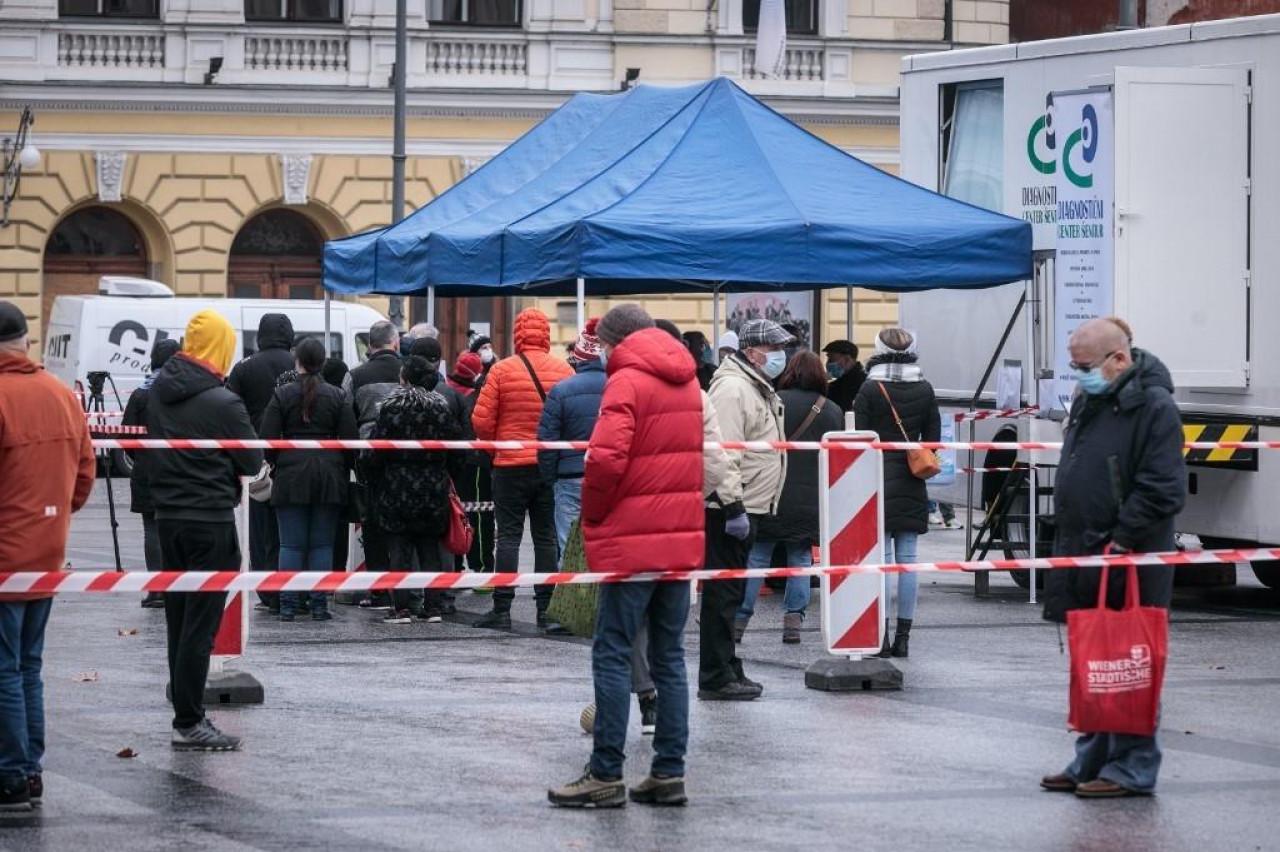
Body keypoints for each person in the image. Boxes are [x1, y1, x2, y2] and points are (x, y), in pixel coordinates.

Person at [548, 305, 704, 808]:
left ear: (614, 342)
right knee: (669, 658)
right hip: (678, 538)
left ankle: (606, 772)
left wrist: (592, 516)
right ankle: (668, 771)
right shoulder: (686, 381)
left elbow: (606, 460)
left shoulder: (627, 382)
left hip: (632, 540)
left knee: (612, 651)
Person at [1040, 318, 1185, 799]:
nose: (1077, 375)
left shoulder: (1154, 406)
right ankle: (1091, 759)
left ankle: (1133, 768)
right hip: (1086, 548)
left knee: (1130, 665)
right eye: (1073, 365)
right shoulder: (1094, 398)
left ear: (1118, 359)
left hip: (1129, 556)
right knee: (1097, 660)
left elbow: (1164, 486)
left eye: (1083, 366)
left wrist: (1123, 537)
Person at [148, 309, 263, 751]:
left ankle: (184, 706)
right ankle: (190, 720)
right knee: (201, 625)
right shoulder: (224, 402)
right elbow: (251, 463)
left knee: (179, 620)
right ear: (221, 346)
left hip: (169, 519)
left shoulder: (160, 392)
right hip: (210, 520)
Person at [0, 301, 95, 810]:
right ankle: (29, 769)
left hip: (3, 556)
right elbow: (84, 474)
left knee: (4, 669)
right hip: (46, 550)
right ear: (25, 341)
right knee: (28, 667)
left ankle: (12, 775)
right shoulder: (62, 394)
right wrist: (54, 520)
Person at [700, 319, 791, 701]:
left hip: (747, 503)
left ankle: (727, 665)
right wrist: (733, 504)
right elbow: (722, 452)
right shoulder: (734, 388)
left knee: (731, 592)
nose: (780, 357)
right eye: (773, 350)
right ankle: (716, 674)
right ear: (753, 353)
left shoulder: (752, 384)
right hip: (731, 507)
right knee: (723, 594)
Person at [470, 308, 572, 630]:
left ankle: (502, 609)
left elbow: (482, 422)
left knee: (509, 537)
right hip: (547, 465)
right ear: (546, 335)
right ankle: (545, 609)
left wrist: (496, 446)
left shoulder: (501, 371)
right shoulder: (564, 370)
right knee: (545, 538)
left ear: (517, 334)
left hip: (510, 466)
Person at [735, 351, 842, 644]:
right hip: (809, 498)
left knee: (757, 556)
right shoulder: (831, 410)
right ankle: (793, 623)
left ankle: (739, 620)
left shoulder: (773, 400)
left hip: (770, 491)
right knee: (800, 559)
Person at [852, 327, 941, 659]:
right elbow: (933, 438)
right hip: (912, 479)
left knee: (884, 562)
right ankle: (904, 636)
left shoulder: (869, 388)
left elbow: (860, 437)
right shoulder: (925, 387)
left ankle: (883, 636)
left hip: (876, 477)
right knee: (908, 562)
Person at [259, 338, 358, 622]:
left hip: (291, 472)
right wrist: (342, 467)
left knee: (290, 545)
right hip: (329, 473)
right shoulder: (337, 395)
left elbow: (268, 438)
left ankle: (288, 604)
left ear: (297, 361)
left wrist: (277, 464)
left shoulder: (282, 394)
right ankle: (319, 605)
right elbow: (351, 441)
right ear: (323, 362)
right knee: (322, 545)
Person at [360, 353, 463, 624]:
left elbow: (375, 450)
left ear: (404, 378)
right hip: (433, 487)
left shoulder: (392, 407)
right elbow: (456, 447)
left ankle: (402, 608)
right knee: (429, 549)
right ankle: (433, 608)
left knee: (399, 549)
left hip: (396, 487)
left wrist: (372, 472)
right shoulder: (441, 408)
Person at [227, 313, 295, 614]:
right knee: (290, 530)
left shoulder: (244, 369)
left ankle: (267, 591)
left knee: (261, 527)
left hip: (256, 458)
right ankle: (292, 591)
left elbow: (229, 411)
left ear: (260, 336)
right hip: (295, 457)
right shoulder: (299, 364)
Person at [346, 320, 403, 610]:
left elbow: (346, 415)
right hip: (405, 456)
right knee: (402, 522)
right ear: (395, 343)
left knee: (372, 523)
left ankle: (379, 589)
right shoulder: (407, 372)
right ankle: (404, 591)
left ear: (370, 345)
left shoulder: (355, 375)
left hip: (368, 456)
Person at [123, 337, 181, 609]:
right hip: (178, 469)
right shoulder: (183, 392)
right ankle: (178, 587)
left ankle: (156, 590)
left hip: (147, 469)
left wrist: (142, 457)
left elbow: (127, 437)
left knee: (152, 527)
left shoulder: (140, 393)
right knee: (177, 528)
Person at [448, 351, 495, 577]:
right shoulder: (477, 401)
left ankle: (457, 565)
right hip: (477, 461)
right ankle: (482, 567)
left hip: (463, 461)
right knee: (478, 515)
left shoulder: (467, 399)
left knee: (460, 513)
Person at [822, 340, 866, 414]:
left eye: (831, 359)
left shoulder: (861, 383)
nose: (827, 364)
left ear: (847, 360)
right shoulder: (839, 383)